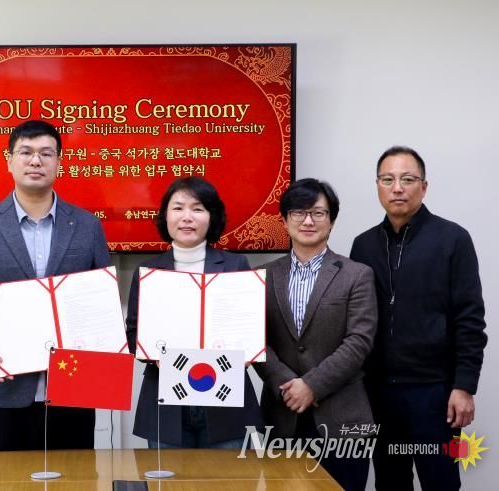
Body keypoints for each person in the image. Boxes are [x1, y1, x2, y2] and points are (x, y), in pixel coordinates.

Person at [0, 120, 110, 451]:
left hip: (74, 389)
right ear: (9, 160)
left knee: (74, 477)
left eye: (46, 153)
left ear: (59, 162)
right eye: (26, 152)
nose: (36, 161)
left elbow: (102, 301)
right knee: (5, 478)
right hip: (3, 388)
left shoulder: (87, 226)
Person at [350, 146, 487, 490]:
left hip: (435, 394)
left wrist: (464, 386)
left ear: (424, 187)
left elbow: (470, 319)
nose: (397, 188)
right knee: (389, 483)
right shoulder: (363, 245)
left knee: (441, 483)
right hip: (379, 393)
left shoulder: (453, 239)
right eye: (388, 179)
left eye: (408, 179)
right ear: (378, 186)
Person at [254, 178, 377, 490]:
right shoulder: (262, 276)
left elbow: (359, 341)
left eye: (318, 213)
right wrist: (287, 385)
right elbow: (253, 338)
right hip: (281, 416)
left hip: (342, 418)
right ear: (284, 220)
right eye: (298, 212)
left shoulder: (357, 274)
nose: (308, 221)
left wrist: (311, 385)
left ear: (331, 221)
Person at [125, 176, 263, 448]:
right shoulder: (148, 271)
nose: (187, 217)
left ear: (212, 217)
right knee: (168, 475)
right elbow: (132, 333)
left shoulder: (236, 266)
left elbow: (250, 330)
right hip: (166, 401)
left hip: (225, 400)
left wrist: (247, 351)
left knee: (227, 474)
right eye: (178, 208)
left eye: (197, 209)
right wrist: (153, 354)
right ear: (165, 216)